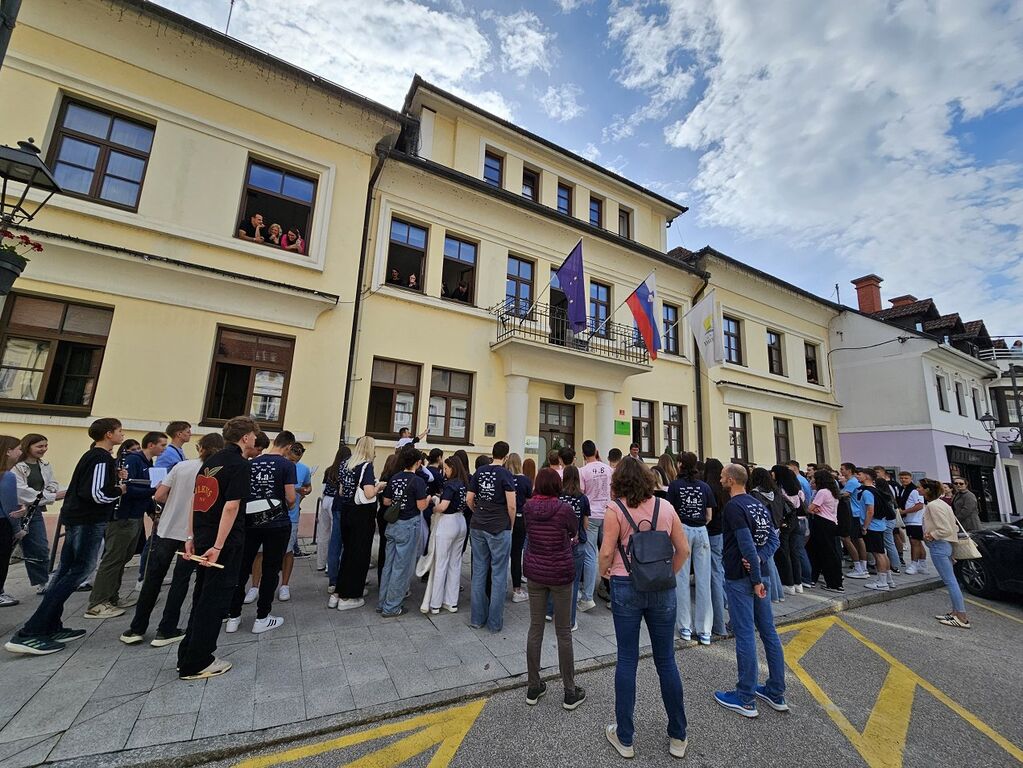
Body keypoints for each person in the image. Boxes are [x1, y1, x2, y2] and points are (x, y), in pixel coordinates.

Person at [6, 418, 126, 655]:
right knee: (79, 570)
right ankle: (31, 631)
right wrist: (118, 490)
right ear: (109, 434)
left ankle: (51, 624)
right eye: (119, 431)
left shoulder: (98, 457)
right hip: (87, 520)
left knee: (65, 571)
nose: (122, 435)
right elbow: (95, 494)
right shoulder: (100, 457)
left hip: (80, 518)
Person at [600, 457, 689, 759]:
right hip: (662, 588)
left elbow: (607, 552)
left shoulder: (615, 509)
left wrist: (604, 573)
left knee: (627, 659)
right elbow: (683, 549)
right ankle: (678, 735)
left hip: (626, 585)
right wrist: (666, 574)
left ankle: (625, 737)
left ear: (619, 482)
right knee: (666, 661)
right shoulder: (666, 507)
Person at [120, 432, 225, 646]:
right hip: (192, 533)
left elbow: (159, 495)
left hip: (167, 529)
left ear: (200, 448)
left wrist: (173, 504)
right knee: (180, 581)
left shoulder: (181, 466)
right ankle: (167, 628)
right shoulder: (215, 471)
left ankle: (136, 628)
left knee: (153, 578)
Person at [177, 416, 260, 680]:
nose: (255, 439)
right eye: (254, 435)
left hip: (203, 536)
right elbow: (231, 506)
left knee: (202, 597)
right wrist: (218, 545)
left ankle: (187, 655)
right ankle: (198, 662)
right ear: (245, 437)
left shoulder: (211, 461)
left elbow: (197, 501)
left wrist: (190, 535)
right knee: (214, 601)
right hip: (223, 543)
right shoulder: (239, 465)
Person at [714, 463, 787, 718]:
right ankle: (776, 691)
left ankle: (745, 697)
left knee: (745, 633)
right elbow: (774, 539)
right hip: (761, 574)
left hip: (743, 578)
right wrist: (760, 558)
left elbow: (745, 543)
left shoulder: (734, 507)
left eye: (723, 476)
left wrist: (754, 571)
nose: (720, 479)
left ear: (731, 480)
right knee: (768, 632)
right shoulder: (758, 504)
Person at [86, 431, 167, 618]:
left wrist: (151, 510)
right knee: (113, 559)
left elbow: (145, 490)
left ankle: (112, 597)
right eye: (162, 445)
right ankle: (97, 603)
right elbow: (127, 488)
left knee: (124, 557)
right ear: (151, 445)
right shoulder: (134, 460)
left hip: (135, 516)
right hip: (123, 517)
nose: (164, 449)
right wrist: (154, 490)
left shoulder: (147, 463)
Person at [523, 468, 585, 710]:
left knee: (535, 628)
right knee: (563, 631)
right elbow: (574, 531)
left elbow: (529, 531)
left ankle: (533, 685)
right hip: (560, 572)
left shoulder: (528, 507)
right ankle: (569, 690)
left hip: (535, 571)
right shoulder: (564, 508)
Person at [225, 431, 297, 635]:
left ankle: (233, 616)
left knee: (242, 568)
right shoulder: (287, 465)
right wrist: (288, 505)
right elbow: (291, 498)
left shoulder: (251, 462)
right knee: (271, 570)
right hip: (277, 523)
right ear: (288, 446)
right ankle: (262, 617)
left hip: (250, 521)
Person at [467, 441, 516, 632]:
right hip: (498, 527)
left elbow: (469, 499)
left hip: (478, 524)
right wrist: (510, 524)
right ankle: (494, 623)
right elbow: (511, 505)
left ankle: (477, 619)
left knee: (479, 572)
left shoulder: (480, 471)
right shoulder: (505, 474)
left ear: (492, 453)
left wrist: (477, 511)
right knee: (498, 574)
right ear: (506, 456)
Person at [666, 452, 715, 645]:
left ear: (680, 465)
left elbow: (670, 512)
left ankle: (685, 627)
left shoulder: (675, 486)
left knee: (682, 578)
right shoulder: (704, 486)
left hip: (682, 529)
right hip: (701, 531)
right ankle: (705, 630)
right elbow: (709, 515)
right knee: (704, 579)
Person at [378, 445, 429, 617]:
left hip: (392, 524)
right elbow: (421, 506)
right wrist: (428, 498)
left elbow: (386, 501)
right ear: (418, 462)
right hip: (408, 525)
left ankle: (382, 602)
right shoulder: (418, 481)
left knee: (388, 565)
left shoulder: (395, 477)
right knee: (401, 567)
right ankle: (392, 607)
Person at [333, 437, 384, 610]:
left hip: (346, 510)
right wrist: (379, 487)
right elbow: (369, 493)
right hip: (361, 514)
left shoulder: (345, 464)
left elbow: (341, 490)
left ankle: (339, 592)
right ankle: (350, 596)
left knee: (348, 552)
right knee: (359, 554)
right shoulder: (365, 466)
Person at [13, 434, 65, 594]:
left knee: (39, 547)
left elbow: (52, 483)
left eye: (45, 446)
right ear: (28, 446)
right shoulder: (17, 466)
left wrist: (49, 492)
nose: (43, 449)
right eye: (39, 446)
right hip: (15, 510)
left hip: (34, 510)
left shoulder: (44, 465)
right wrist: (50, 496)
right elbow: (22, 491)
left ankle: (42, 582)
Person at [919, 478, 970, 629]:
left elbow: (945, 529)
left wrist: (931, 535)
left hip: (939, 545)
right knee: (951, 580)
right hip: (945, 545)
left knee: (950, 581)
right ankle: (955, 612)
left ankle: (961, 617)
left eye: (920, 487)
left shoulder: (933, 505)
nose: (918, 489)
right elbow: (953, 527)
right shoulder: (942, 504)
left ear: (927, 490)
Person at [429, 457, 470, 613]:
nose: (444, 471)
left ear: (453, 468)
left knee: (441, 563)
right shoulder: (464, 483)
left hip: (448, 522)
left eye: (446, 468)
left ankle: (435, 603)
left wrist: (433, 508)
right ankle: (451, 602)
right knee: (455, 563)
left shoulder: (450, 484)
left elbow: (443, 506)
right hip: (461, 521)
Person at [554, 464, 589, 630]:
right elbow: (586, 523)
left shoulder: (558, 496)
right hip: (577, 541)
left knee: (557, 578)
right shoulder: (583, 498)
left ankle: (553, 612)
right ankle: (570, 620)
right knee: (573, 582)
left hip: (559, 541)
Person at [578, 440, 612, 610]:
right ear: (597, 451)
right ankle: (613, 594)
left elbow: (581, 493)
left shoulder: (582, 471)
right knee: (609, 554)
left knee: (590, 556)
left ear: (583, 454)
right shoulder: (608, 469)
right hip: (607, 514)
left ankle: (587, 597)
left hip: (591, 516)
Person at [748, 468, 787, 604]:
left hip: (764, 528)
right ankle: (779, 593)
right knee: (771, 561)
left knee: (768, 562)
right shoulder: (776, 492)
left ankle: (773, 594)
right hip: (776, 527)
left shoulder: (755, 494)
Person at [280, 442, 312, 599]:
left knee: (288, 550)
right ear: (287, 452)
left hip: (292, 514)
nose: (294, 463)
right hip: (276, 513)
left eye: (297, 461)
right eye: (292, 460)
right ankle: (255, 586)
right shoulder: (279, 464)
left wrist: (306, 490)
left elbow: (308, 485)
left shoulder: (304, 469)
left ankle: (284, 585)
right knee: (262, 552)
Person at [856, 468, 893, 591]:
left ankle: (882, 582)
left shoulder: (867, 492)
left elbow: (870, 511)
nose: (858, 476)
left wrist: (865, 526)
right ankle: (889, 579)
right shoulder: (875, 489)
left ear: (866, 476)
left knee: (878, 554)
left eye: (860, 474)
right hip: (880, 525)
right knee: (881, 552)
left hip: (872, 526)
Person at [807, 469, 844, 591]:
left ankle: (833, 583)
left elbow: (810, 508)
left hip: (822, 522)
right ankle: (834, 580)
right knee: (827, 552)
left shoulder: (822, 492)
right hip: (831, 522)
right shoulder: (832, 491)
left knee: (825, 553)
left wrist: (813, 509)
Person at [770, 464, 805, 594]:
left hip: (785, 522)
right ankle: (798, 583)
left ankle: (788, 583)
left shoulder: (780, 490)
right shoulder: (797, 489)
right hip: (796, 521)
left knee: (784, 553)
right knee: (794, 552)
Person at [703, 458, 728, 637]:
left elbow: (707, 516)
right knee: (720, 571)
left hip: (710, 534)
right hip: (722, 533)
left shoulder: (708, 489)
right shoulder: (725, 489)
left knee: (714, 574)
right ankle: (725, 601)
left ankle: (718, 623)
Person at [1, 436, 24, 607]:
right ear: (8, 451)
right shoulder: (7, 476)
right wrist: (18, 529)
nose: (21, 452)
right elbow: (10, 508)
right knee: (2, 561)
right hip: (2, 524)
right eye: (19, 449)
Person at [320, 445, 350, 578]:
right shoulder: (345, 470)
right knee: (335, 536)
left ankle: (320, 562)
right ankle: (329, 566)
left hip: (325, 499)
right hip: (335, 501)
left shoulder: (329, 469)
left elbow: (323, 487)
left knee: (323, 532)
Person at [506, 453, 532, 603]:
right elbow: (529, 501)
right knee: (516, 554)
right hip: (520, 518)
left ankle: (499, 585)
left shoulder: (505, 477)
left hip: (504, 518)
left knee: (500, 554)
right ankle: (516, 590)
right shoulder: (525, 480)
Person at [869, 465, 902, 574]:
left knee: (887, 544)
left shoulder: (881, 495)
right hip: (890, 520)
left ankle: (893, 566)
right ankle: (895, 565)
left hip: (885, 521)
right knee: (889, 543)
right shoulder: (889, 493)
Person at [841, 462, 869, 578]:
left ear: (849, 470)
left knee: (847, 539)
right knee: (857, 539)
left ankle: (859, 567)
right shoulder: (852, 481)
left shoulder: (852, 482)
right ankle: (863, 566)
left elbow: (845, 494)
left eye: (842, 469)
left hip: (852, 513)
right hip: (856, 513)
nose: (841, 471)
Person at [897, 472, 928, 574]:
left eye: (906, 478)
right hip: (909, 520)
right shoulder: (902, 489)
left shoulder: (914, 490)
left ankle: (914, 565)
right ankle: (922, 564)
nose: (903, 480)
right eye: (901, 478)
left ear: (911, 478)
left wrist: (904, 512)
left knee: (914, 543)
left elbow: (919, 505)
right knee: (918, 543)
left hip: (916, 520)